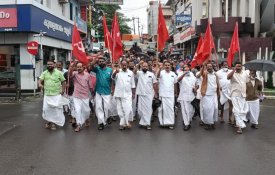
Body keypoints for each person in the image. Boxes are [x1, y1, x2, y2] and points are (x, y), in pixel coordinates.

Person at [38, 60, 66, 130]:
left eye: (51, 64)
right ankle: (49, 121)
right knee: (46, 109)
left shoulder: (59, 73)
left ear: (54, 65)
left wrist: (63, 90)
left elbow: (63, 81)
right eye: (48, 64)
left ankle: (53, 124)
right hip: (47, 95)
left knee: (55, 110)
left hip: (56, 95)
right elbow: (40, 80)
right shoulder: (44, 73)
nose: (49, 65)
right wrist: (39, 84)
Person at [90, 57, 113, 130]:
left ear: (105, 62)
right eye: (99, 61)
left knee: (107, 107)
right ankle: (101, 123)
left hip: (107, 91)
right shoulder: (97, 69)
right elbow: (91, 66)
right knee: (99, 107)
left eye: (102, 61)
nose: (101, 62)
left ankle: (108, 116)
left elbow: (113, 80)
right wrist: (95, 59)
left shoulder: (110, 70)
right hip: (98, 91)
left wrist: (112, 89)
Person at [69, 62, 93, 132]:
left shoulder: (87, 75)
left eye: (80, 67)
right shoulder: (75, 74)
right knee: (77, 110)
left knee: (86, 111)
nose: (79, 68)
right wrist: (71, 67)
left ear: (83, 67)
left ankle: (87, 119)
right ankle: (79, 124)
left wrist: (92, 94)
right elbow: (70, 75)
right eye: (77, 67)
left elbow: (90, 86)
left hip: (85, 96)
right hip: (76, 96)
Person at [112, 60, 136, 130]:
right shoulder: (117, 71)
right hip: (118, 93)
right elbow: (112, 78)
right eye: (123, 65)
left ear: (127, 65)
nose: (124, 66)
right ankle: (123, 124)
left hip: (128, 94)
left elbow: (133, 84)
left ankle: (127, 121)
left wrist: (133, 94)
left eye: (125, 65)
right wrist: (115, 73)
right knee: (120, 110)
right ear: (121, 65)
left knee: (127, 108)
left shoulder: (131, 73)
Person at [227, 61, 249, 134]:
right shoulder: (232, 73)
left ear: (242, 66)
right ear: (235, 67)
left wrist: (247, 93)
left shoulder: (245, 74)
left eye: (239, 66)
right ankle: (239, 127)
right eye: (237, 66)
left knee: (242, 110)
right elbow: (228, 77)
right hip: (234, 94)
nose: (238, 68)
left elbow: (247, 83)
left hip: (243, 95)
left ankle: (237, 122)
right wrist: (234, 70)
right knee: (237, 110)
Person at [136, 62, 158, 130]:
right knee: (140, 110)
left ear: (148, 67)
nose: (145, 67)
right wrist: (138, 64)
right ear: (141, 67)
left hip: (149, 94)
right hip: (141, 94)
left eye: (146, 66)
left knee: (148, 109)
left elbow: (155, 84)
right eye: (143, 66)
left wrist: (156, 93)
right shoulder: (139, 73)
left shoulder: (151, 74)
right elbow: (134, 70)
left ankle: (148, 123)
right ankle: (143, 122)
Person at [157, 61, 178, 129]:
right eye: (165, 65)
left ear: (170, 66)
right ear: (164, 66)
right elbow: (157, 76)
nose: (167, 66)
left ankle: (170, 123)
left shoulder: (173, 74)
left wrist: (176, 92)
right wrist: (160, 69)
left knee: (170, 109)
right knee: (162, 109)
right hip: (163, 94)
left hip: (171, 94)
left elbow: (175, 84)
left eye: (168, 65)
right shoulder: (162, 72)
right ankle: (163, 123)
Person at [200, 62, 220, 130]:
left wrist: (219, 89)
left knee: (215, 108)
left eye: (210, 66)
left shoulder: (215, 74)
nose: (209, 68)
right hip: (206, 94)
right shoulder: (205, 74)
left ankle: (213, 122)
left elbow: (217, 83)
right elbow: (201, 73)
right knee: (207, 109)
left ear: (212, 67)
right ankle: (208, 123)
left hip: (214, 94)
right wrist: (203, 67)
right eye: (208, 66)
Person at [177, 64, 197, 131]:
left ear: (189, 68)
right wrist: (183, 74)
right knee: (184, 111)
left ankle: (189, 120)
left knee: (190, 111)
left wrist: (195, 88)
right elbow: (178, 80)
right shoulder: (180, 74)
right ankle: (186, 124)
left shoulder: (192, 75)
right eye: (184, 68)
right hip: (183, 96)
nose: (186, 69)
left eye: (187, 68)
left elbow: (197, 84)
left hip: (191, 96)